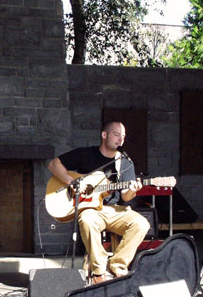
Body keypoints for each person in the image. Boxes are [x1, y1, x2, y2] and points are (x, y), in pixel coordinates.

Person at [48, 121, 150, 284]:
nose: (120, 140)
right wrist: (71, 182)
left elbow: (126, 197)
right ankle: (98, 271)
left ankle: (117, 266)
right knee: (87, 220)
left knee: (141, 223)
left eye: (123, 137)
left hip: (115, 210)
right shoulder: (85, 154)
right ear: (104, 135)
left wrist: (132, 190)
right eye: (116, 135)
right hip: (91, 210)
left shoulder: (124, 162)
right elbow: (54, 164)